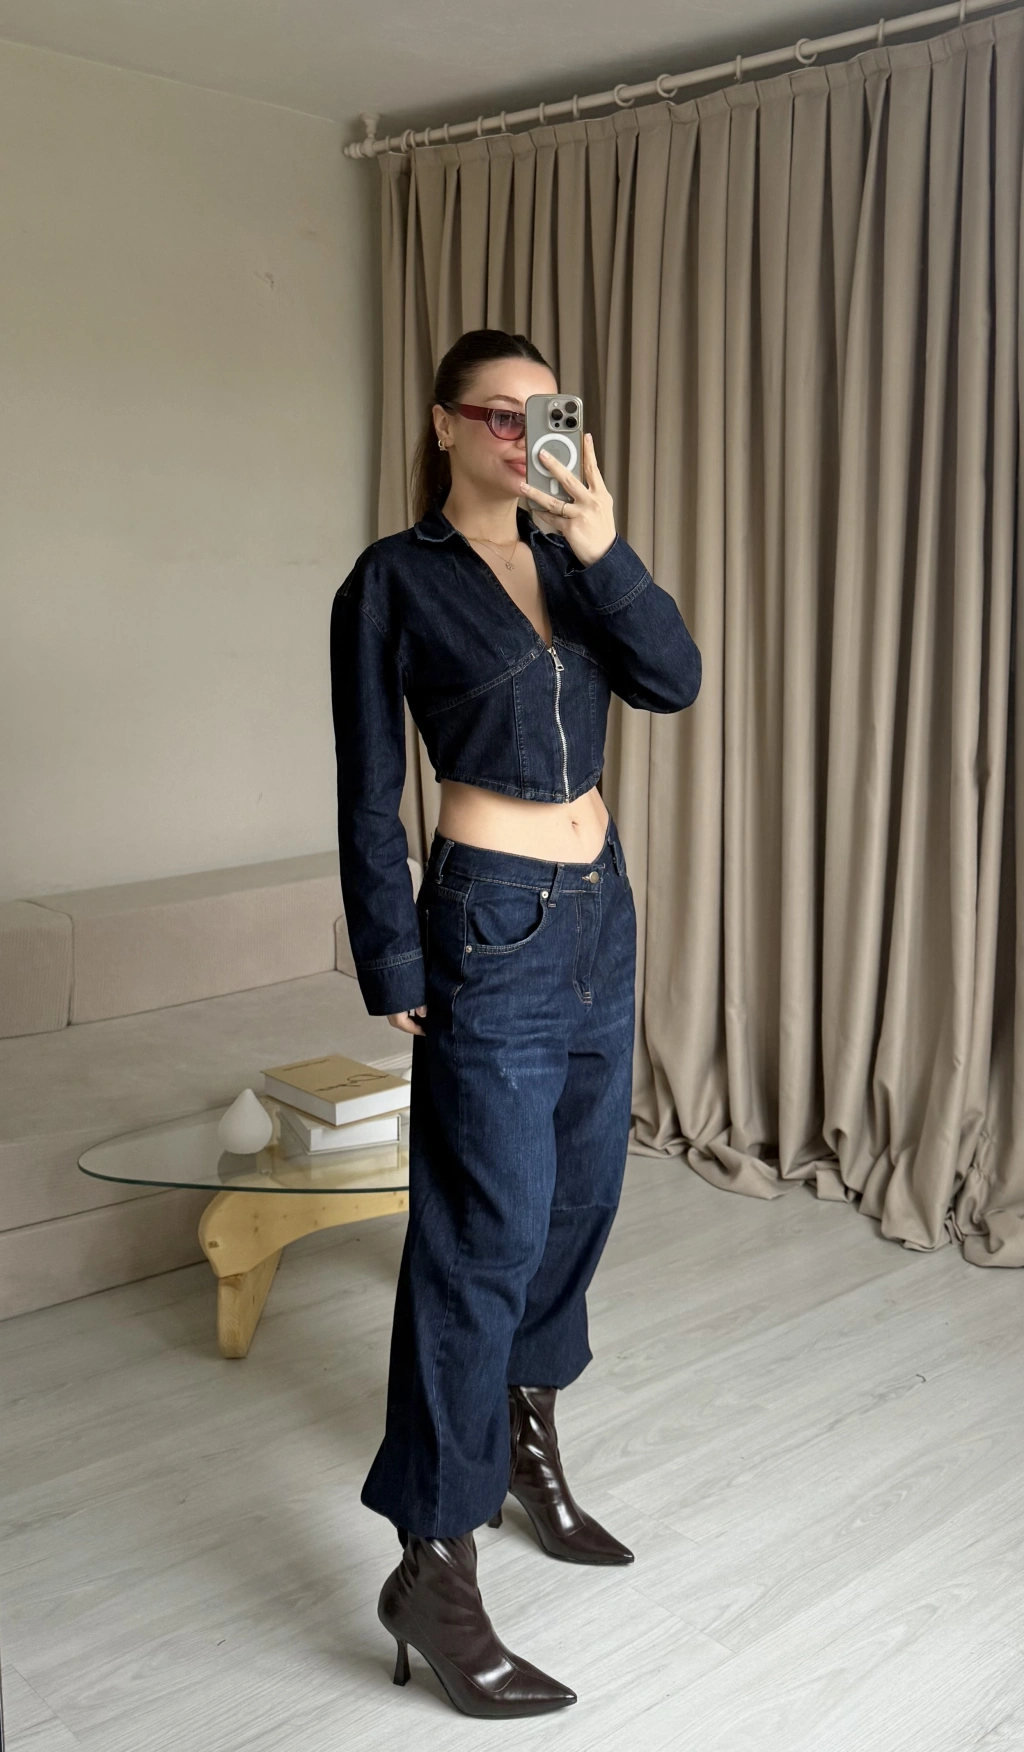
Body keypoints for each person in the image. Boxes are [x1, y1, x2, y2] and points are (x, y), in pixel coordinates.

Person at [330, 328, 701, 1718]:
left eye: (545, 414)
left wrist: (604, 547)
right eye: (497, 413)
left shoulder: (573, 561)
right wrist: (391, 954)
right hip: (488, 922)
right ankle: (433, 1561)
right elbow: (370, 786)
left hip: (602, 913)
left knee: (579, 1205)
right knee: (479, 1236)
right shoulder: (392, 580)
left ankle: (524, 1443)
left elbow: (673, 679)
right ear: (442, 424)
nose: (522, 436)